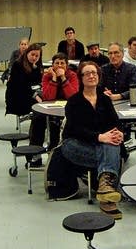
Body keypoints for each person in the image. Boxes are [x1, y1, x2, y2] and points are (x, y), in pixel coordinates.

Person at [61, 61, 123, 219]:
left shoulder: (105, 100)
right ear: (81, 78)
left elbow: (115, 123)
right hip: (75, 145)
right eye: (87, 73)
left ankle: (105, 193)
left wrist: (119, 133)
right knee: (111, 148)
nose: (91, 76)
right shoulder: (73, 102)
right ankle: (107, 183)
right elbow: (75, 129)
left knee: (113, 143)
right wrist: (100, 137)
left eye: (94, 73)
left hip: (100, 144)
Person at [34, 52, 79, 151]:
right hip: (51, 107)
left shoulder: (72, 75)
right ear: (52, 65)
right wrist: (54, 78)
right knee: (38, 119)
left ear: (66, 65)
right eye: (57, 63)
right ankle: (35, 154)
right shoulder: (47, 76)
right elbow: (48, 97)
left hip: (69, 107)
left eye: (62, 63)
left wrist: (63, 78)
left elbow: (72, 96)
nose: (59, 66)